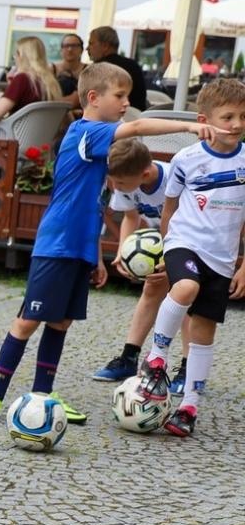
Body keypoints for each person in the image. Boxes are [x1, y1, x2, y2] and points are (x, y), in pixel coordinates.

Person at [0, 62, 213, 426]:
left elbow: (93, 207)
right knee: (28, 321)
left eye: (128, 96)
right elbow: (137, 128)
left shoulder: (98, 144)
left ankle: (44, 395)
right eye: (120, 95)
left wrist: (94, 256)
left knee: (61, 322)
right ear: (93, 98)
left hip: (78, 249)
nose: (126, 103)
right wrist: (189, 127)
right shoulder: (86, 131)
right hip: (57, 245)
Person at [132, 78, 245, 437]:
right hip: (184, 241)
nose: (237, 124)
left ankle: (189, 407)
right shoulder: (186, 159)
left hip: (223, 257)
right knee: (184, 287)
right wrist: (167, 248)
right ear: (204, 120)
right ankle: (156, 357)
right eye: (228, 117)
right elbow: (169, 208)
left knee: (203, 332)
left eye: (243, 116)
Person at [92, 138, 176, 384]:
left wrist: (172, 257)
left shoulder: (173, 179)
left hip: (187, 241)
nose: (116, 187)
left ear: (145, 174)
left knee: (184, 300)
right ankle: (128, 359)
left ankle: (186, 369)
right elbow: (131, 217)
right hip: (158, 242)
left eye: (120, 183)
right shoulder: (127, 181)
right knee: (151, 291)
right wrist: (123, 251)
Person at [0, 36, 61, 123]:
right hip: (40, 132)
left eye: (16, 54)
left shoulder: (22, 79)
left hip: (14, 131)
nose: (15, 58)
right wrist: (12, 84)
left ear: (21, 56)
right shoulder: (50, 83)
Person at [86, 26, 148, 112]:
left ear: (105, 46)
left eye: (91, 43)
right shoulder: (133, 65)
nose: (87, 48)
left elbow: (87, 99)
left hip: (107, 117)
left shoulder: (98, 68)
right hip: (135, 116)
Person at [54, 32, 86, 100]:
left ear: (81, 49)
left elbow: (77, 99)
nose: (70, 49)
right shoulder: (51, 69)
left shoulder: (88, 70)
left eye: (74, 46)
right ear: (61, 50)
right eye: (66, 46)